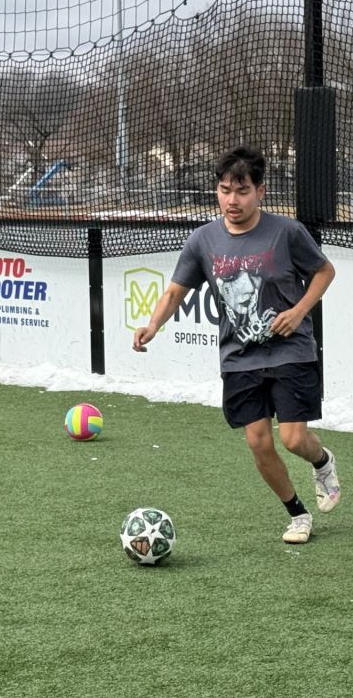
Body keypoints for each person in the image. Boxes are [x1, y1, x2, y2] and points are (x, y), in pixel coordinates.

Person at [132, 145, 339, 544]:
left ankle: (323, 461)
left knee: (294, 438)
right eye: (225, 189)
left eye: (242, 190)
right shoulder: (203, 240)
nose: (232, 199)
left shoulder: (286, 232)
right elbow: (176, 291)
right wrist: (153, 324)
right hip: (239, 357)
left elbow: (324, 272)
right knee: (258, 441)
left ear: (260, 191)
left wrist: (299, 312)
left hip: (290, 349)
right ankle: (297, 515)